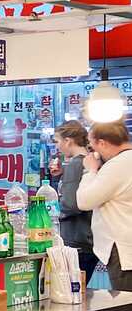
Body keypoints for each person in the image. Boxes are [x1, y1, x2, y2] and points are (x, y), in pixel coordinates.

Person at [76, 122, 132, 311]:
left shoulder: (118, 165)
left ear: (102, 142)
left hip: (123, 252)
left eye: (92, 146)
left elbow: (84, 200)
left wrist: (90, 170)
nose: (92, 152)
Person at [52, 121, 97, 282]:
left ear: (68, 141)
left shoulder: (75, 165)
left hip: (76, 241)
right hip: (90, 239)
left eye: (58, 141)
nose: (57, 147)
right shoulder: (91, 162)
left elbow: (71, 204)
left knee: (74, 292)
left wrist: (54, 212)